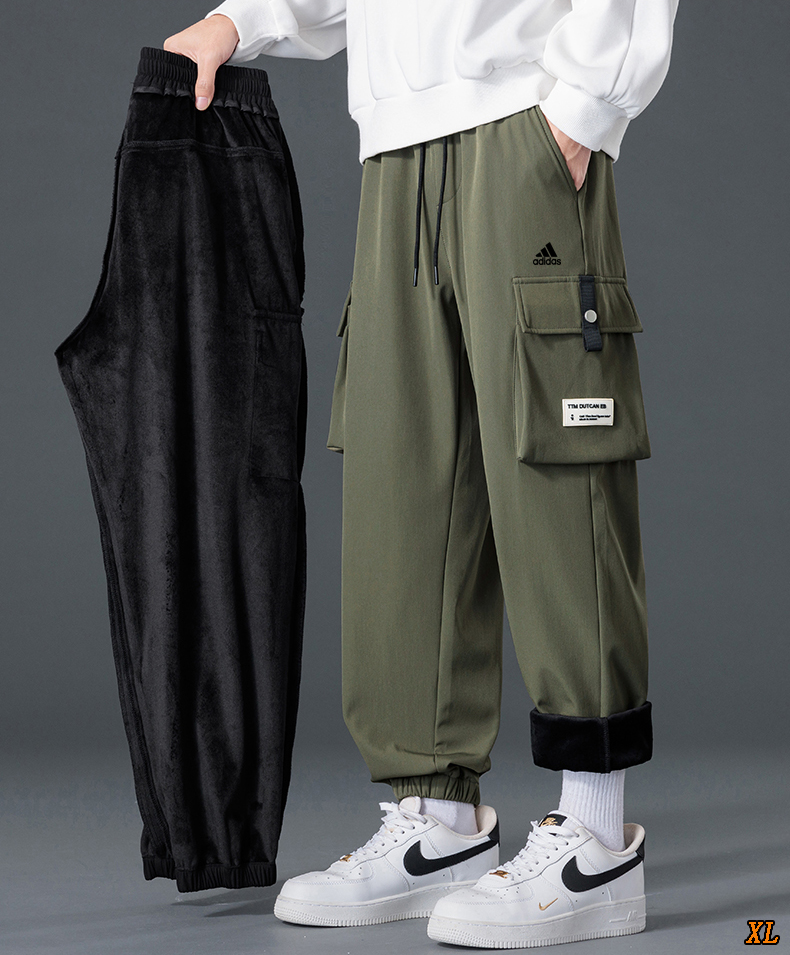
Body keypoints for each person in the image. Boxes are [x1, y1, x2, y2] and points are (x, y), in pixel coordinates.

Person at [165, 1, 678, 947]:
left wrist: (585, 104)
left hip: (523, 118)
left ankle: (598, 833)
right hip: (393, 147)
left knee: (557, 472)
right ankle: (438, 823)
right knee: (404, 480)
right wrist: (240, 20)